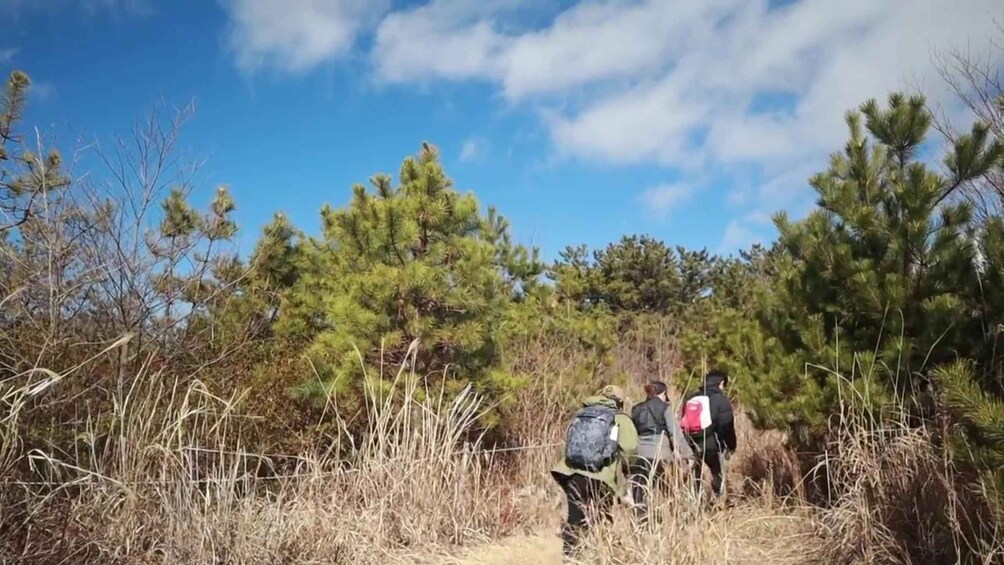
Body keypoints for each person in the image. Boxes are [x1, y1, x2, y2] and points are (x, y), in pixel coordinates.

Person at [551, 384, 638, 557]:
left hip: (572, 473)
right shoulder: (621, 418)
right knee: (600, 518)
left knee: (575, 519)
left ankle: (570, 557)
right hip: (602, 477)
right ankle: (597, 556)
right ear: (620, 402)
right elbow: (630, 448)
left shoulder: (582, 414)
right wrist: (628, 469)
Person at [628, 381, 694, 523]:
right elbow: (675, 433)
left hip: (639, 454)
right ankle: (676, 520)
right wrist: (687, 454)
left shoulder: (636, 409)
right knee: (669, 491)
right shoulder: (664, 408)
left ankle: (642, 523)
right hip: (661, 454)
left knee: (639, 492)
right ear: (663, 394)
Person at [679, 369, 737, 503]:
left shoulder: (691, 397)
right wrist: (730, 446)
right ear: (721, 383)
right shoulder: (721, 400)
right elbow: (726, 425)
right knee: (717, 472)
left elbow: (684, 421)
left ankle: (695, 503)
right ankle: (716, 502)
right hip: (711, 443)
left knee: (696, 474)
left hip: (691, 442)